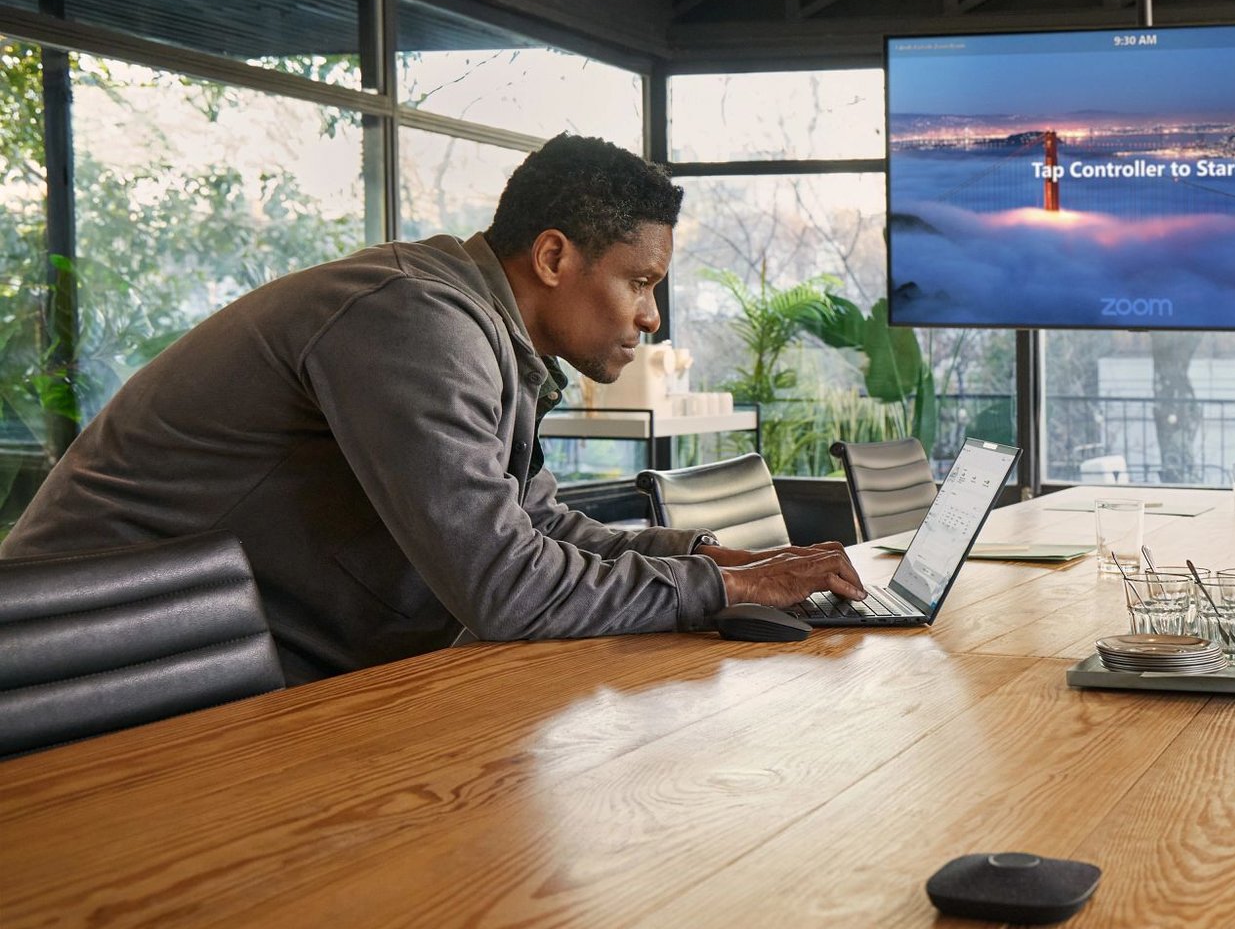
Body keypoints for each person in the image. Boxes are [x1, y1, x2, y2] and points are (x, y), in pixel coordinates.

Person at [2, 134, 864, 683]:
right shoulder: (415, 319)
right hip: (76, 674)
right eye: (640, 283)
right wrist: (723, 587)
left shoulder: (480, 332)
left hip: (217, 673)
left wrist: (713, 554)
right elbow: (508, 589)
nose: (651, 316)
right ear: (555, 256)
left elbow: (535, 532)